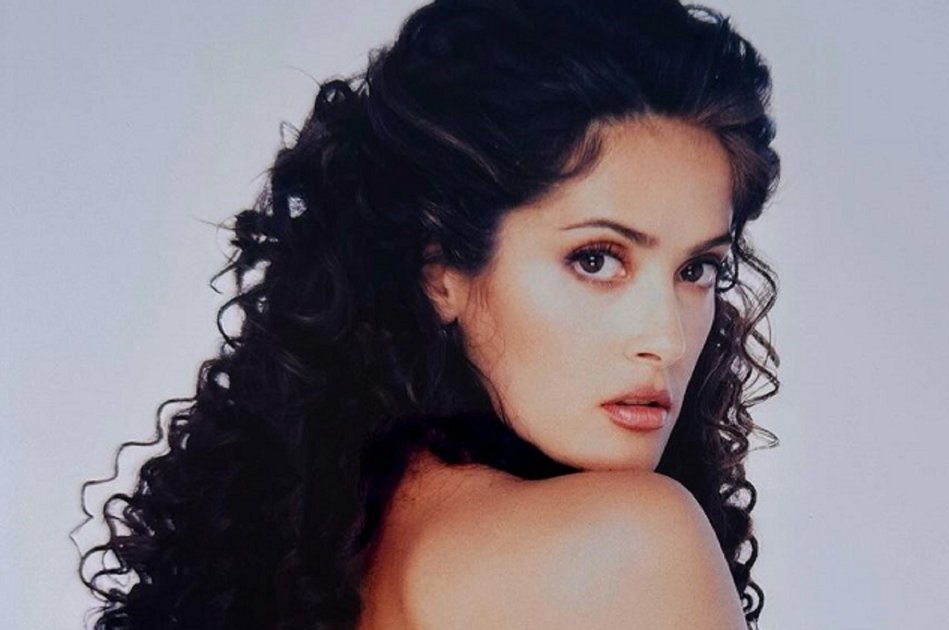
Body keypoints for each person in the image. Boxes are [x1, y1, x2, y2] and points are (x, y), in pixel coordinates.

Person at [74, 0, 781, 627]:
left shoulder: (320, 554)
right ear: (440, 272)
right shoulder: (632, 543)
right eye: (596, 259)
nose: (667, 337)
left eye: (697, 269)